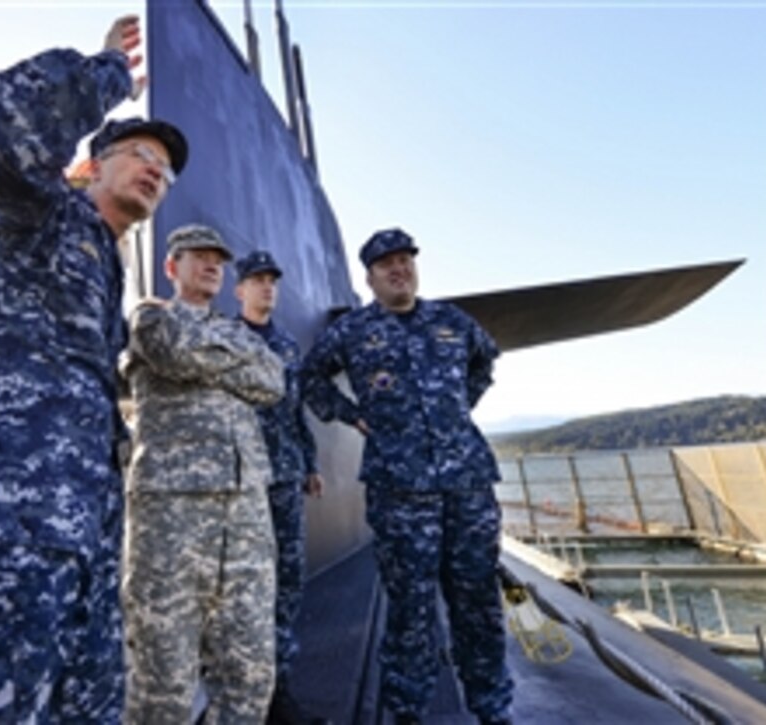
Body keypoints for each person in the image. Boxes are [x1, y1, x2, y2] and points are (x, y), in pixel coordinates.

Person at [0, 15, 188, 722]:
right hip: (3, 521)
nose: (156, 169)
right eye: (140, 152)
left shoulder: (105, 266)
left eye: (166, 169)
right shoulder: (42, 211)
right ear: (90, 165)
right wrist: (109, 71)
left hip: (78, 534)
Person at [301, 229, 514, 725]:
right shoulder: (352, 331)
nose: (399, 270)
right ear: (371, 276)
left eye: (405, 261)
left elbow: (485, 362)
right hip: (400, 488)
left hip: (467, 482)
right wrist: (352, 415)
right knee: (410, 605)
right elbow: (310, 379)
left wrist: (458, 407)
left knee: (478, 598)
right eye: (387, 264)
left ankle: (491, 704)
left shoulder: (451, 322)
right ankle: (408, 707)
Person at [122, 225, 284, 723]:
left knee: (252, 674)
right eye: (198, 257)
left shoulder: (237, 330)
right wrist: (235, 363)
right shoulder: (151, 315)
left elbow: (273, 380)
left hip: (246, 518)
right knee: (162, 683)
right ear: (172, 267)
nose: (212, 265)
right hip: (171, 517)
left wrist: (211, 357)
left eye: (218, 259)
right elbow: (173, 350)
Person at [233, 250, 327, 725]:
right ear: (240, 290)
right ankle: (239, 690)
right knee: (242, 585)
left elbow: (296, 410)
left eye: (272, 280)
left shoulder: (288, 345)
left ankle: (279, 687)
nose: (267, 287)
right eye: (257, 280)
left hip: (286, 476)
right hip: (241, 481)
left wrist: (310, 462)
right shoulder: (224, 338)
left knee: (287, 581)